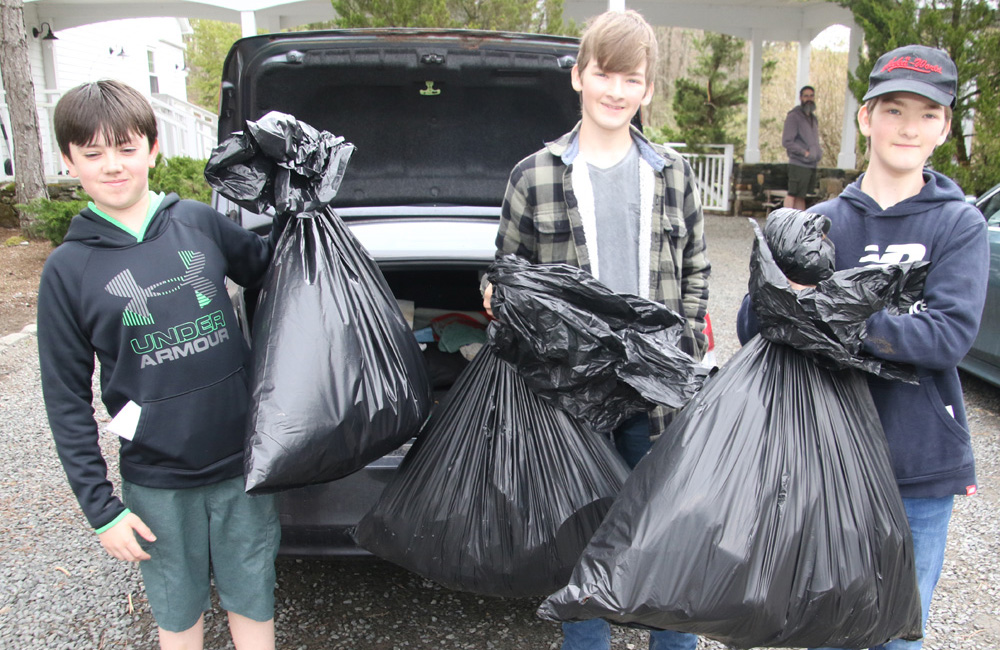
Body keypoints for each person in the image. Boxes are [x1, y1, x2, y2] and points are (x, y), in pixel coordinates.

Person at [738, 45, 988, 650]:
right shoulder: (822, 221)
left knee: (896, 636)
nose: (909, 126)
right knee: (822, 627)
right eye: (894, 108)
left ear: (944, 127)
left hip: (918, 467)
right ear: (865, 117)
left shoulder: (958, 225)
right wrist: (781, 281)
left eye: (927, 113)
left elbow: (945, 336)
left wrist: (826, 310)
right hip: (821, 465)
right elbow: (755, 327)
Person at [483, 9, 709, 650]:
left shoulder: (672, 175)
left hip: (653, 392)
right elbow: (504, 272)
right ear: (579, 76)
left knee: (664, 538)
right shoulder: (535, 174)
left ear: (647, 89)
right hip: (571, 398)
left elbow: (696, 268)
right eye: (604, 73)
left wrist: (684, 344)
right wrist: (499, 298)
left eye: (630, 78)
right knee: (578, 545)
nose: (616, 90)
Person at [37, 80, 285, 650]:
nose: (113, 166)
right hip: (158, 481)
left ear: (153, 148)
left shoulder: (197, 223)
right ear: (69, 160)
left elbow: (272, 270)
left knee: (254, 593)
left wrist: (298, 205)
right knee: (178, 613)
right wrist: (102, 511)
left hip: (241, 467)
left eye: (126, 148)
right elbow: (66, 401)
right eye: (93, 153)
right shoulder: (68, 272)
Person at [782, 85, 822, 209]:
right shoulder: (794, 116)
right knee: (792, 194)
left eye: (811, 96)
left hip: (811, 164)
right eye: (806, 96)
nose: (809, 99)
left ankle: (799, 225)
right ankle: (785, 223)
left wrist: (817, 153)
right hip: (798, 163)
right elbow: (787, 141)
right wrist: (804, 153)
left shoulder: (813, 119)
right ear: (800, 98)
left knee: (801, 196)